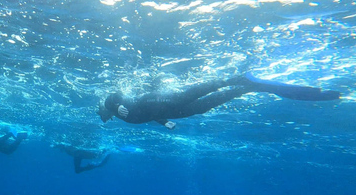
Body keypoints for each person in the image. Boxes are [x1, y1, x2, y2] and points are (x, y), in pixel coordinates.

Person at [98, 72, 341, 129]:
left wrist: (114, 104)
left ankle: (235, 78)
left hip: (159, 100)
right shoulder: (121, 118)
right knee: (203, 106)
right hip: (170, 112)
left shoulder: (113, 106)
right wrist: (164, 123)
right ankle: (247, 88)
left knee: (192, 93)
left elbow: (114, 96)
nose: (104, 117)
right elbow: (146, 117)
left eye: (103, 114)